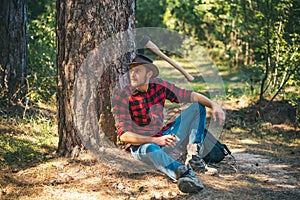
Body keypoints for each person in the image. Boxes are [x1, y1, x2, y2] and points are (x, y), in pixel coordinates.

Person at [112, 54, 225, 193]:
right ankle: (184, 174)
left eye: (138, 71)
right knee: (152, 148)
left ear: (149, 74)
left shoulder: (159, 86)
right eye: (131, 71)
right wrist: (156, 140)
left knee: (197, 107)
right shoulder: (123, 96)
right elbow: (124, 136)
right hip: (142, 146)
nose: (132, 75)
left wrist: (214, 105)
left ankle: (194, 158)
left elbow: (190, 95)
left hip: (164, 138)